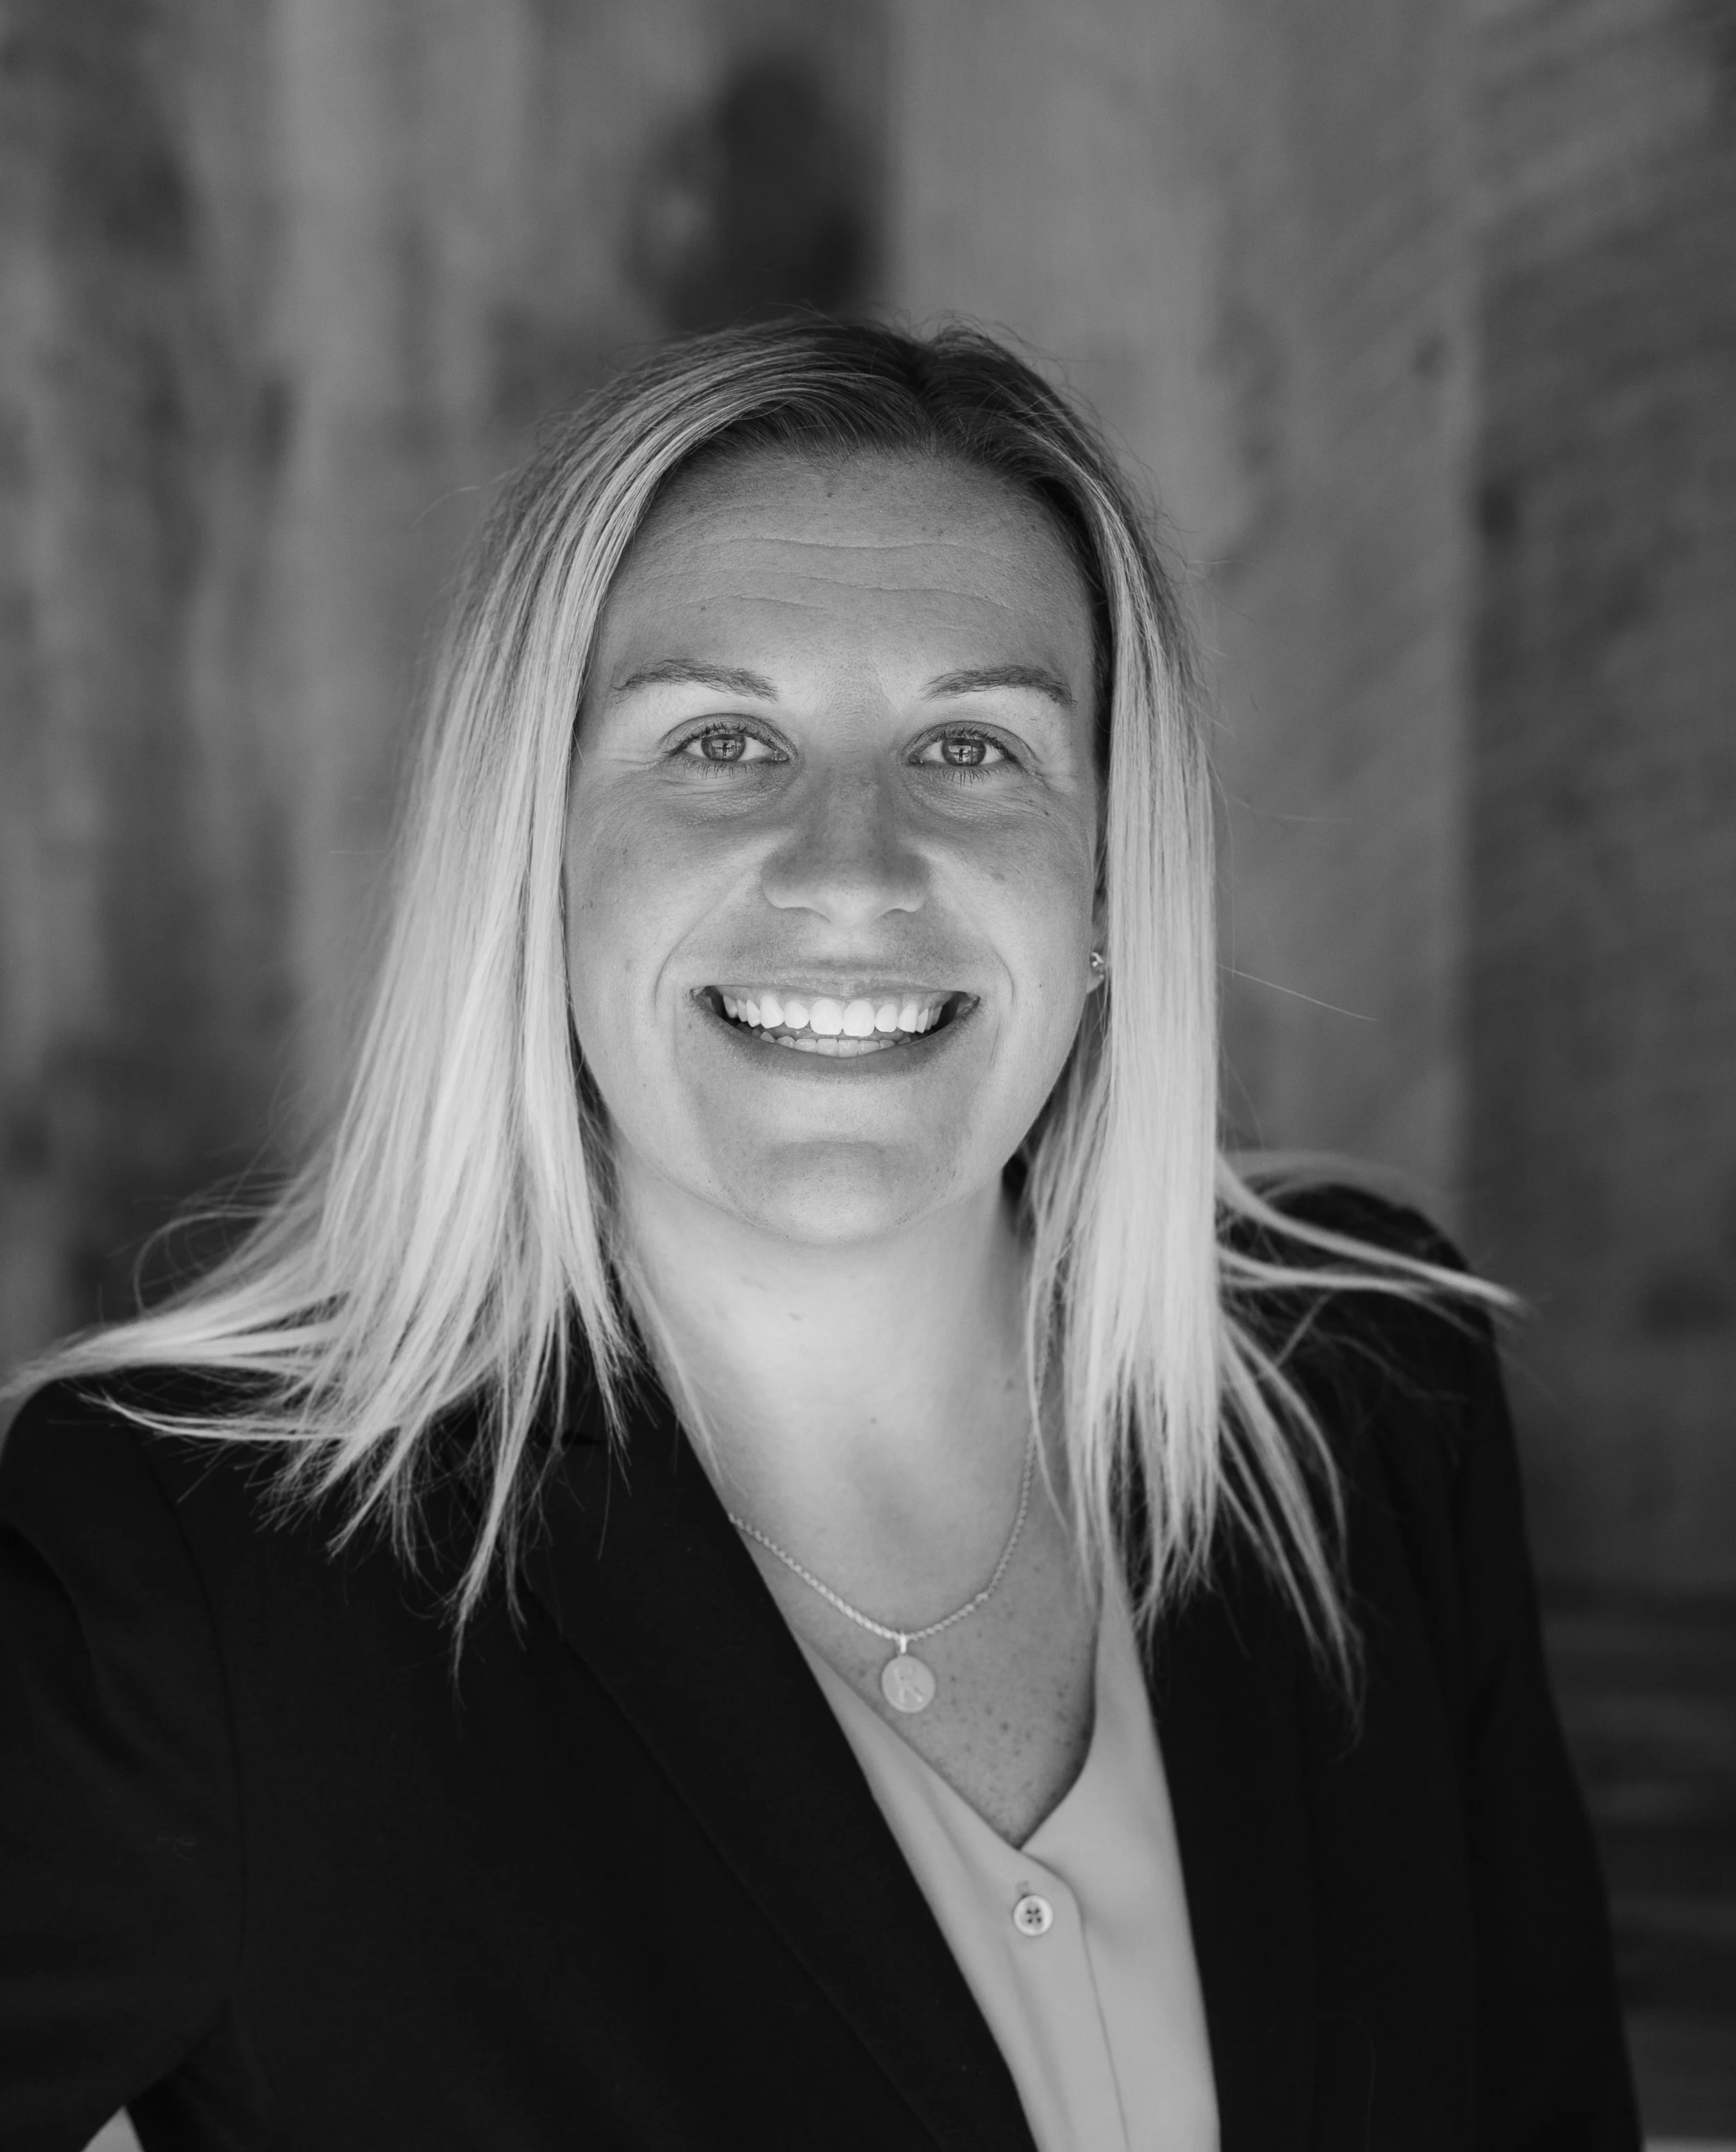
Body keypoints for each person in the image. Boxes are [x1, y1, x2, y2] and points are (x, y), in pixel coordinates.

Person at [0, 318, 1637, 2152]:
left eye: (969, 746)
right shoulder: (192, 1570)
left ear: (1107, 867)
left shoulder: (1362, 1390)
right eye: (718, 741)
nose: (849, 872)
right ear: (532, 862)